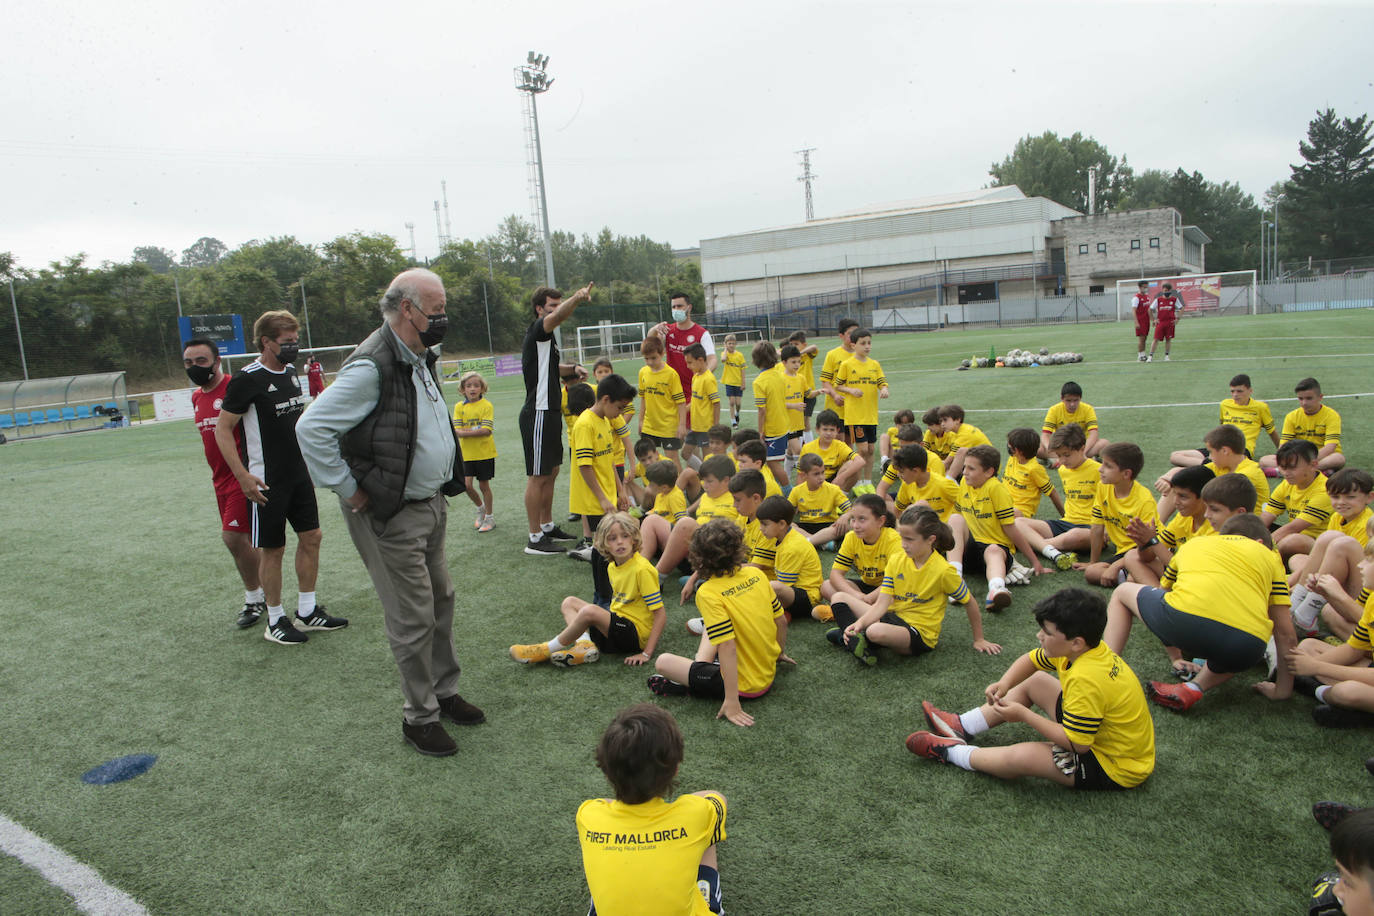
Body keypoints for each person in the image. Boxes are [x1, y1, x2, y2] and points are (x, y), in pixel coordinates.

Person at [295, 268, 480, 757]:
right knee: (412, 615)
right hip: (390, 511)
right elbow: (310, 429)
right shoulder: (370, 366)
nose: (442, 319)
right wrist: (350, 489)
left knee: (441, 598)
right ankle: (419, 717)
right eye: (435, 311)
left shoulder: (420, 354)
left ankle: (444, 692)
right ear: (406, 309)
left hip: (429, 503)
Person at [908, 588, 1155, 791]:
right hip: (1098, 732)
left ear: (1076, 642)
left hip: (1114, 764)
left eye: (1046, 633)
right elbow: (1032, 660)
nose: (1039, 636)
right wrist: (1005, 683)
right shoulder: (1084, 651)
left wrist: (1025, 715)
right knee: (1037, 681)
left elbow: (1078, 745)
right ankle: (961, 726)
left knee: (1022, 757)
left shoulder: (1086, 679)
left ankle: (951, 752)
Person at [215, 310, 345, 646]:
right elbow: (223, 430)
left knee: (312, 536)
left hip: (298, 473)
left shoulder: (289, 372)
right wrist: (242, 476)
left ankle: (307, 610)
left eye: (295, 341)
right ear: (266, 342)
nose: (293, 348)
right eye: (286, 342)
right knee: (273, 549)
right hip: (265, 479)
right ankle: (274, 620)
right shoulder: (246, 379)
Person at [1105, 513, 1296, 713]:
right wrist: (1282, 690)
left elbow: (1165, 592)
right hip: (1248, 646)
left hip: (1181, 624)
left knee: (1121, 592)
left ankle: (1106, 671)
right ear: (1259, 542)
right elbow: (1285, 633)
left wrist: (1175, 655)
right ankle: (1194, 686)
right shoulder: (1270, 556)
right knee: (1237, 644)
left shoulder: (1195, 544)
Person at [576, 703, 728, 916]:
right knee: (707, 825)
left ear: (606, 770)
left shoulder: (588, 814)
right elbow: (717, 800)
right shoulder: (695, 813)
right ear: (675, 769)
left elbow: (605, 803)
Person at [648, 519, 788, 727]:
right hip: (767, 670)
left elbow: (728, 647)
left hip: (745, 686)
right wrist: (779, 654)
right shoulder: (756, 574)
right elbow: (781, 621)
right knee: (715, 627)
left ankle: (692, 682)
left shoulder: (707, 592)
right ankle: (701, 668)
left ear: (697, 559)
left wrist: (732, 700)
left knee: (663, 662)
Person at [828, 506, 1000, 665]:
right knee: (838, 598)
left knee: (875, 631)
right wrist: (860, 622)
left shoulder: (943, 571)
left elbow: (969, 602)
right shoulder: (896, 560)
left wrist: (979, 639)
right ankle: (856, 640)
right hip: (892, 618)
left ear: (930, 540)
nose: (903, 544)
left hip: (919, 633)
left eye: (909, 539)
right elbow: (882, 604)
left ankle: (855, 639)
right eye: (902, 538)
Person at [510, 514, 667, 669]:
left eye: (625, 536)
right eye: (612, 538)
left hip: (635, 636)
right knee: (569, 602)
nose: (620, 542)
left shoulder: (642, 569)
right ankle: (585, 644)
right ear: (604, 545)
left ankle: (545, 649)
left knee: (589, 611)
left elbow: (660, 614)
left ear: (634, 539)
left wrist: (646, 653)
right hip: (617, 626)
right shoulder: (612, 566)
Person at [183, 337, 264, 629]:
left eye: (201, 361)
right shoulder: (196, 397)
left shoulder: (234, 388)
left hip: (240, 475)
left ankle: (255, 598)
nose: (194, 367)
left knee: (232, 538)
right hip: (218, 480)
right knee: (242, 540)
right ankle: (262, 592)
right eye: (189, 363)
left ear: (217, 361)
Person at [521, 284, 594, 556]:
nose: (555, 310)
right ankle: (534, 537)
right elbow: (559, 317)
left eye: (557, 304)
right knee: (538, 475)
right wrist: (576, 297)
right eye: (551, 306)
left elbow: (553, 367)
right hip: (538, 411)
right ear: (540, 309)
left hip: (551, 411)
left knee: (551, 472)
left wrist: (572, 368)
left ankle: (547, 526)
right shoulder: (539, 328)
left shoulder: (547, 340)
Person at [947, 445, 1047, 610]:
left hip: (997, 554)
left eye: (971, 468)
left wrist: (1034, 561)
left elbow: (1011, 529)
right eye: (964, 467)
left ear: (989, 472)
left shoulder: (995, 488)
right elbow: (957, 522)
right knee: (955, 518)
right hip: (971, 552)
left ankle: (996, 590)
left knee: (993, 549)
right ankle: (955, 580)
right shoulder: (964, 482)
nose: (964, 472)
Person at [1289, 535, 1374, 727]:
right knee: (1309, 647)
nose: (1360, 565)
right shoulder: (1372, 600)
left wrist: (1316, 668)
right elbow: (1354, 649)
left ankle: (1321, 693)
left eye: (1369, 560)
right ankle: (1354, 706)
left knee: (1348, 692)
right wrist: (1306, 664)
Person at [570, 374, 637, 604]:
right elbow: (585, 466)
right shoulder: (584, 424)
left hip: (607, 495)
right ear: (606, 399)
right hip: (593, 499)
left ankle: (608, 595)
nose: (620, 413)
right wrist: (602, 498)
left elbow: (608, 461)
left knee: (606, 549)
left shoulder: (605, 421)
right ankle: (602, 598)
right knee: (603, 550)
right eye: (619, 407)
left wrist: (620, 491)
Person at [1289, 471, 1374, 639]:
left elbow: (1365, 568)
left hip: (1363, 587)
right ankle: (1296, 602)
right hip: (1338, 578)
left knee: (1340, 543)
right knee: (1298, 558)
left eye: (1350, 497)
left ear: (1369, 497)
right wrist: (1292, 583)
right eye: (1335, 497)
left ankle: (1305, 613)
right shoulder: (1337, 517)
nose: (1342, 502)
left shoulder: (1367, 524)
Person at [1015, 423, 1099, 571]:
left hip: (1091, 528)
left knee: (1074, 536)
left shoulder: (1099, 471)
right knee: (1018, 522)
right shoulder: (1063, 470)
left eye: (1067, 455)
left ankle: (1037, 544)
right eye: (1059, 456)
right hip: (1066, 523)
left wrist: (1106, 532)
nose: (1062, 460)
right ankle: (1050, 549)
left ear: (1082, 448)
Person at [1119, 465, 1215, 588]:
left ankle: (1158, 598)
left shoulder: (1215, 527)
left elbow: (1186, 569)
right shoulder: (1183, 519)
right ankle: (1158, 597)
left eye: (1183, 496)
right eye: (1174, 494)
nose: (1175, 501)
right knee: (1132, 556)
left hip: (1200, 580)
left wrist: (1152, 541)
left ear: (1204, 498)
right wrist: (1143, 543)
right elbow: (1148, 557)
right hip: (1181, 574)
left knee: (1131, 582)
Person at [1077, 442, 1158, 588]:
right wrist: (1093, 562)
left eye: (1108, 466)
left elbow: (1150, 544)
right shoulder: (1103, 487)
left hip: (1148, 551)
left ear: (1126, 474)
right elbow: (1096, 527)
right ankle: (1132, 577)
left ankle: (1136, 578)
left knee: (1131, 578)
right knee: (1091, 572)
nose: (1100, 469)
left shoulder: (1144, 500)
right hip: (1124, 552)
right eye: (1102, 464)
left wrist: (1114, 567)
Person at [1155, 423, 1269, 519]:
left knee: (1192, 496)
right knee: (1180, 487)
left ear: (1225, 451)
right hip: (1226, 520)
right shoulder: (1220, 466)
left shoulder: (1249, 473)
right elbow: (1183, 472)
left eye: (1211, 452)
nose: (1209, 457)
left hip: (1245, 527)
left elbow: (1221, 497)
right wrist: (1167, 479)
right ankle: (1156, 529)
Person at [1169, 374, 1280, 468]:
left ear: (1250, 391)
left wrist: (1282, 452)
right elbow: (1222, 430)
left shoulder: (1261, 407)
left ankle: (1212, 465)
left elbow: (1272, 432)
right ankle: (1210, 464)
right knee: (1175, 456)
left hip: (1240, 449)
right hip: (1219, 447)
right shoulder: (1225, 404)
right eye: (1232, 391)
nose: (1235, 395)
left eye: (1239, 391)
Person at [832, 327, 889, 490]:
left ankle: (867, 482)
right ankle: (856, 483)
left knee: (871, 450)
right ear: (853, 345)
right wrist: (851, 390)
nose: (867, 346)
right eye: (863, 343)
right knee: (862, 449)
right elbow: (838, 385)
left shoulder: (874, 364)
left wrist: (884, 389)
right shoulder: (847, 364)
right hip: (855, 416)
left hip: (871, 415)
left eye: (869, 343)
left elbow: (882, 382)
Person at [1261, 439, 1335, 564]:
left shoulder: (1325, 490)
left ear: (1313, 465)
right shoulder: (1287, 484)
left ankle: (1269, 564)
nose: (1286, 473)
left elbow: (1293, 528)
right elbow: (1267, 516)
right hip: (1295, 536)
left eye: (1292, 468)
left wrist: (1258, 546)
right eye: (1282, 468)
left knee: (1291, 541)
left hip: (1320, 545)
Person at [1260, 377, 1346, 473]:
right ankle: (1314, 471)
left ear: (1320, 397)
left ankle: (1283, 471)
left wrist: (1307, 461)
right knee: (1264, 460)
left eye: (1309, 398)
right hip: (1298, 457)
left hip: (1321, 457)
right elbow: (1283, 446)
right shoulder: (1291, 416)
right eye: (1300, 398)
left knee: (1338, 458)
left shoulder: (1332, 415)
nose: (1304, 403)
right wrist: (1290, 458)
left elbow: (1330, 447)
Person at [452, 370, 496, 533]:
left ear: (482, 389)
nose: (472, 389)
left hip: (484, 453)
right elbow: (456, 430)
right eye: (468, 386)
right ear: (463, 389)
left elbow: (486, 430)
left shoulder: (486, 405)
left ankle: (490, 518)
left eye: (476, 386)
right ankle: (481, 509)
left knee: (484, 485)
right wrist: (471, 431)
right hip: (466, 454)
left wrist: (465, 432)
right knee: (466, 485)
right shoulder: (458, 407)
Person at [638, 334, 688, 470]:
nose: (650, 362)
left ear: (663, 354)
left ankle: (679, 489)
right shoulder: (643, 372)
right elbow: (643, 398)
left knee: (671, 458)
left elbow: (681, 402)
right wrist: (641, 420)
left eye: (653, 358)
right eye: (646, 359)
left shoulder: (671, 374)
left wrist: (682, 425)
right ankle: (654, 488)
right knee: (648, 458)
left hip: (668, 426)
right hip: (649, 425)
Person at [648, 292, 716, 394]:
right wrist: (655, 328)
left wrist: (704, 376)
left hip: (693, 391)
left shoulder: (702, 334)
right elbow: (649, 343)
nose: (676, 309)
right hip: (671, 390)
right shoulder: (667, 330)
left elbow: (712, 359)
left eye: (679, 306)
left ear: (689, 307)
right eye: (673, 307)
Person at [751, 341, 790, 489]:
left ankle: (789, 493)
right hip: (784, 423)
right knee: (772, 462)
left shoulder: (759, 382)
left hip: (773, 428)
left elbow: (762, 410)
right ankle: (775, 489)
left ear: (756, 359)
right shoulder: (780, 375)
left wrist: (761, 432)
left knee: (773, 463)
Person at [1038, 381, 1108, 461]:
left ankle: (1059, 459)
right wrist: (1050, 449)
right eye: (1068, 400)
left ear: (1080, 398)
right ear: (1062, 399)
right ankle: (1084, 459)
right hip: (1061, 447)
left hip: (1081, 447)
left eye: (1076, 400)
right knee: (1037, 449)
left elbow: (1094, 434)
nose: (1072, 404)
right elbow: (1045, 434)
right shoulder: (1054, 410)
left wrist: (1082, 452)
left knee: (1104, 444)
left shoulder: (1088, 409)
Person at [799, 409, 864, 491]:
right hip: (815, 481)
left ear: (837, 431)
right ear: (817, 430)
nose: (828, 433)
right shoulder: (807, 448)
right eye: (825, 429)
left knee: (852, 464)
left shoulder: (840, 445)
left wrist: (841, 478)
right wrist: (800, 494)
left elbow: (860, 461)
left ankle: (842, 494)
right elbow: (800, 474)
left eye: (832, 430)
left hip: (833, 481)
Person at [1005, 427, 1060, 518]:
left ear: (1018, 451)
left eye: (1010, 447)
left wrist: (1065, 516)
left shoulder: (1034, 469)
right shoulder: (1013, 458)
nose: (1008, 447)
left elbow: (1052, 493)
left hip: (1019, 513)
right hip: (1004, 504)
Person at [818, 318, 859, 435]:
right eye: (850, 333)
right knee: (836, 441)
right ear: (841, 336)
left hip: (854, 407)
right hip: (836, 407)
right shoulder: (832, 355)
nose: (854, 336)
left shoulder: (860, 355)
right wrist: (835, 395)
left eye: (856, 332)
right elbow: (825, 381)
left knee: (849, 443)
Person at [682, 343, 720, 469]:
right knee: (685, 453)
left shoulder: (708, 379)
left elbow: (716, 403)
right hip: (695, 426)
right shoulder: (695, 377)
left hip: (706, 427)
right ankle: (703, 473)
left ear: (701, 360)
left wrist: (715, 426)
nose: (687, 366)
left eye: (690, 362)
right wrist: (680, 413)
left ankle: (709, 480)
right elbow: (695, 401)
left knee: (708, 460)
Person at [938, 405, 991, 480]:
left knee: (961, 452)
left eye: (945, 420)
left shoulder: (965, 434)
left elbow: (948, 462)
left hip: (987, 466)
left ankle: (949, 481)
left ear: (957, 420)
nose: (942, 424)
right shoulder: (957, 431)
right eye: (941, 421)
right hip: (978, 463)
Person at [1147, 281, 1181, 361]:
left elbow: (1181, 308)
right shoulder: (1158, 300)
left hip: (1170, 323)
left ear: (1171, 291)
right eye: (1165, 291)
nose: (1166, 292)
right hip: (1161, 322)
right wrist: (1153, 320)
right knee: (1156, 339)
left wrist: (1177, 319)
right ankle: (1150, 356)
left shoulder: (1174, 299)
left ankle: (1166, 356)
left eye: (1168, 291)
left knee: (1168, 339)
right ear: (1162, 290)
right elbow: (1150, 310)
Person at [719, 333, 746, 427]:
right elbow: (723, 359)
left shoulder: (740, 355)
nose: (731, 345)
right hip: (729, 382)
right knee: (732, 402)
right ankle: (733, 421)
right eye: (729, 343)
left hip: (738, 382)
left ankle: (737, 414)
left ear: (736, 344)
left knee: (738, 403)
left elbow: (743, 369)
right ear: (725, 344)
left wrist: (743, 382)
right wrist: (725, 349)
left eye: (733, 343)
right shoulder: (724, 354)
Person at [1131, 280, 1152, 361]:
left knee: (1145, 338)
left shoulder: (1147, 297)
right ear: (1140, 287)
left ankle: (1143, 354)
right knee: (1141, 338)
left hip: (1146, 321)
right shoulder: (1136, 298)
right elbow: (1133, 310)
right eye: (1144, 287)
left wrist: (1152, 319)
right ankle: (1140, 355)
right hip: (1140, 321)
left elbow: (1148, 309)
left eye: (1147, 287)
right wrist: (1136, 322)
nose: (1146, 289)